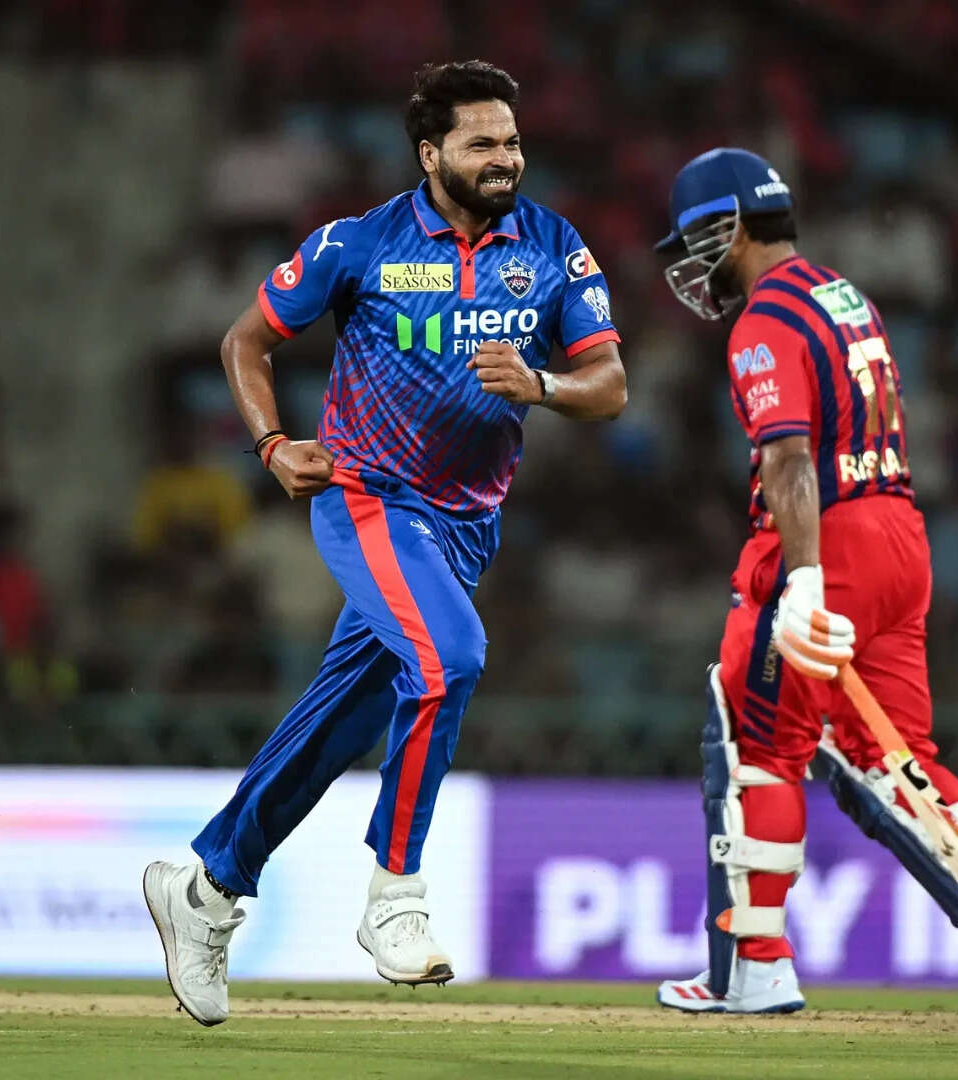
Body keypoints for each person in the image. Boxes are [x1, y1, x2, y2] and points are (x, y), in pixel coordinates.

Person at [143, 60, 627, 1027]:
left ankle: (203, 888)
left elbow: (609, 386)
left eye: (513, 141)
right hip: (367, 500)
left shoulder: (553, 249)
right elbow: (246, 341)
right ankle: (395, 898)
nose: (506, 158)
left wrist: (542, 387)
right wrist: (273, 445)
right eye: (483, 142)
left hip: (466, 525)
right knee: (451, 660)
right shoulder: (360, 242)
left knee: (342, 724)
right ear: (431, 152)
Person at [649, 148, 958, 1016]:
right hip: (901, 535)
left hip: (824, 540)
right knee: (890, 760)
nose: (693, 267)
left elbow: (791, 456)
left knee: (750, 748)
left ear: (729, 224)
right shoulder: (846, 295)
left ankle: (752, 969)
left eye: (696, 242)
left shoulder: (761, 322)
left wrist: (801, 579)